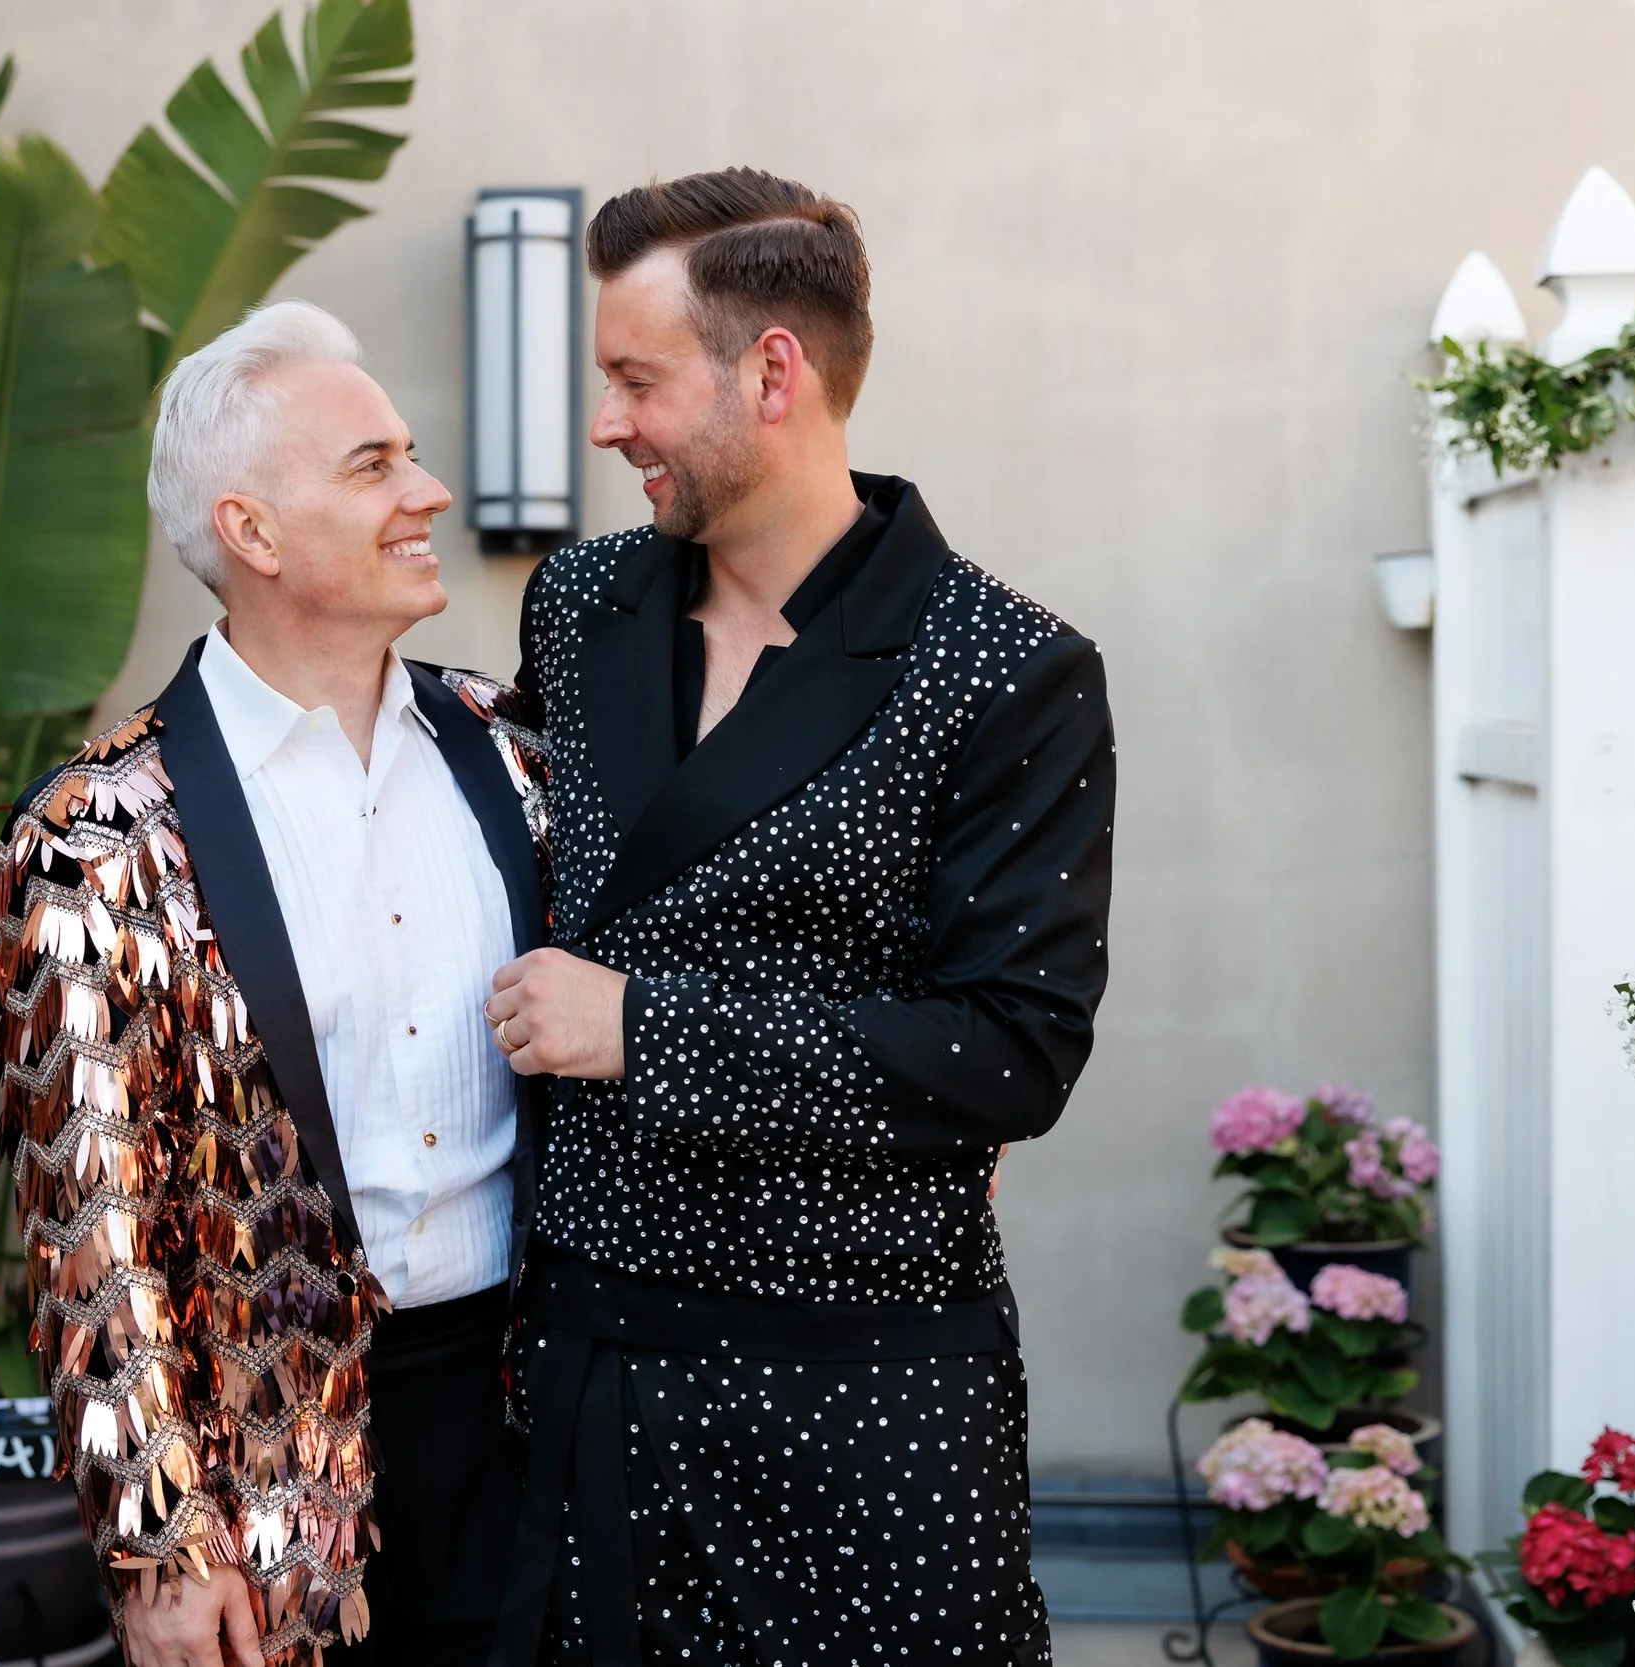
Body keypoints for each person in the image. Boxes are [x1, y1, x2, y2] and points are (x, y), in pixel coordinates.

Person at [482, 168, 1115, 1666]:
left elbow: (1011, 1051)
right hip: (587, 1368)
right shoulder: (577, 607)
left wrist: (645, 1030)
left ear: (773, 374)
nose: (604, 424)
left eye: (636, 380)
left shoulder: (1006, 669)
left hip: (865, 1398)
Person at [0, 301, 545, 1667]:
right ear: (253, 531)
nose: (427, 493)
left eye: (410, 455)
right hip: (269, 1491)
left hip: (537, 1440)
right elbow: (91, 1219)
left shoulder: (520, 754)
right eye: (373, 465)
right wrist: (161, 1543)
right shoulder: (94, 833)